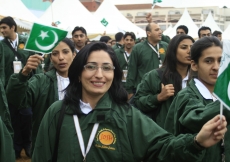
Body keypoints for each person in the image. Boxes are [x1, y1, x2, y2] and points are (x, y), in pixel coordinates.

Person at [32, 42, 227, 162]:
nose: (99, 75)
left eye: (107, 68)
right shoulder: (57, 112)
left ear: (114, 75)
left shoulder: (126, 115)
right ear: (78, 74)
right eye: (91, 66)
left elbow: (162, 148)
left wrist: (196, 142)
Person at [164, 36, 230, 162]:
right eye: (209, 61)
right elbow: (197, 118)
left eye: (221, 61)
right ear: (194, 65)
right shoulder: (186, 96)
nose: (216, 67)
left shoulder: (223, 95)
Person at [6, 38, 76, 155]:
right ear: (50, 57)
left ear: (73, 54)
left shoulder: (84, 81)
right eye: (55, 53)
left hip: (75, 143)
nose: (61, 57)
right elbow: (17, 100)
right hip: (46, 145)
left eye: (65, 52)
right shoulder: (41, 81)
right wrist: (24, 74)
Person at [0, 16, 42, 159]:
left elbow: (36, 63)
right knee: (13, 119)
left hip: (27, 86)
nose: (2, 31)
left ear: (13, 27)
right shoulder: (1, 45)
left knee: (27, 116)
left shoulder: (27, 42)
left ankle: (28, 143)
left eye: (4, 27)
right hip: (9, 89)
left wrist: (37, 82)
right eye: (0, 28)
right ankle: (17, 146)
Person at [134, 34, 194, 128]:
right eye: (184, 47)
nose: (189, 51)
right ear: (173, 51)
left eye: (192, 47)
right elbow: (138, 102)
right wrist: (158, 97)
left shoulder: (198, 78)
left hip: (191, 136)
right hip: (164, 135)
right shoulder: (155, 76)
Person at [126, 22, 168, 99]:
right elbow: (132, 70)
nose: (160, 32)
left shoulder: (165, 46)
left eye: (160, 30)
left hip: (162, 88)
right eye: (157, 30)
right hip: (143, 89)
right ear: (149, 33)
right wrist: (129, 91)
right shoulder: (138, 48)